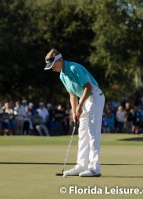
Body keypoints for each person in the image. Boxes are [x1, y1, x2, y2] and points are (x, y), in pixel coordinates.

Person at [44, 48, 105, 177]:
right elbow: (72, 94)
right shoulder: (62, 75)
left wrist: (80, 105)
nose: (52, 68)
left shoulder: (73, 68)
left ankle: (94, 168)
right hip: (85, 100)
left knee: (92, 132)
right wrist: (74, 111)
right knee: (82, 133)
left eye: (53, 65)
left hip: (95, 97)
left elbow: (88, 87)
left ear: (59, 60)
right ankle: (81, 165)